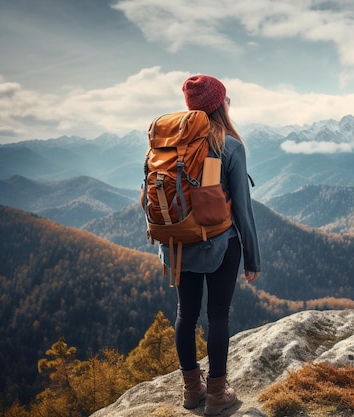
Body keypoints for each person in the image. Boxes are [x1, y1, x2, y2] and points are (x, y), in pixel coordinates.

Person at [159, 74, 261, 414]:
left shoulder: (168, 144)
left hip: (178, 243)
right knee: (218, 314)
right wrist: (253, 259)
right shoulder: (230, 146)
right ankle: (217, 393)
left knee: (185, 315)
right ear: (220, 106)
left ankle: (191, 388)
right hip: (220, 245)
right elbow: (243, 211)